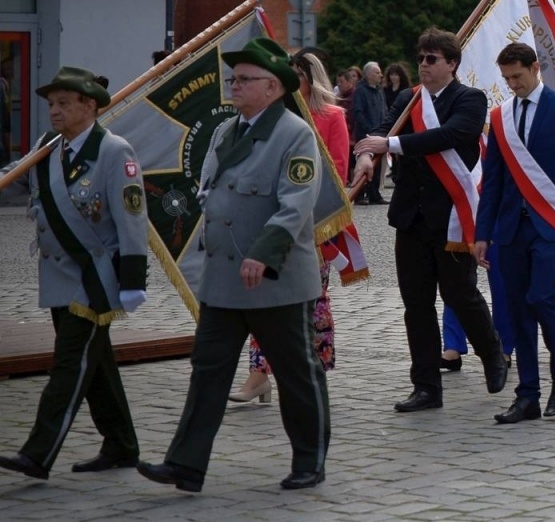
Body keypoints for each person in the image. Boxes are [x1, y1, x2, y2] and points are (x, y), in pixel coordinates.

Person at [139, 38, 330, 492]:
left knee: (296, 372)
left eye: (244, 79)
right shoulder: (228, 131)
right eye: (234, 78)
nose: (234, 86)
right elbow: (210, 190)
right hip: (224, 278)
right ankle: (186, 463)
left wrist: (262, 253)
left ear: (273, 88)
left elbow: (295, 205)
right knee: (208, 370)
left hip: (274, 279)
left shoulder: (295, 134)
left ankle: (309, 458)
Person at [0, 68, 149, 483]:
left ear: (90, 106)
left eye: (65, 103)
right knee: (96, 364)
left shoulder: (114, 151)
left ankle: (37, 453)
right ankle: (121, 443)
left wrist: (133, 278)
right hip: (58, 275)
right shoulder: (49, 147)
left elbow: (132, 217)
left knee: (69, 364)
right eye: (51, 104)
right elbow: (17, 174)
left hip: (92, 276)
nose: (55, 111)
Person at [352, 28, 507, 413]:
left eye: (432, 59)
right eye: (421, 57)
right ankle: (426, 387)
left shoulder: (469, 99)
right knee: (416, 305)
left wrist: (389, 145)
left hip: (452, 217)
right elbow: (381, 129)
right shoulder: (408, 99)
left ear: (451, 64)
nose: (423, 65)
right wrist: (367, 155)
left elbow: (451, 135)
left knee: (460, 295)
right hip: (411, 217)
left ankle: (492, 353)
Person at [472, 43, 555, 424]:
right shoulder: (501, 116)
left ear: (535, 68)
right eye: (507, 79)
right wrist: (482, 232)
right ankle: (527, 395)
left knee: (542, 298)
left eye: (518, 77)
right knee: (517, 309)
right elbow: (492, 182)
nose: (513, 85)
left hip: (549, 225)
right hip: (510, 227)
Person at [229, 52, 345, 405]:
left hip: (313, 225)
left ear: (312, 78)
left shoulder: (331, 116)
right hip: (267, 223)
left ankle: (314, 372)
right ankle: (259, 374)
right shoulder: (269, 120)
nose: (291, 83)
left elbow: (337, 172)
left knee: (312, 301)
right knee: (260, 298)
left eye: (298, 75)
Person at [351, 62, 387, 204]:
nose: (380, 75)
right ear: (368, 74)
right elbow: (358, 112)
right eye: (377, 72)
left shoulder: (379, 90)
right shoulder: (360, 91)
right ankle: (359, 194)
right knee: (363, 162)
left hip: (379, 133)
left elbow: (384, 109)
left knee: (377, 166)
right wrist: (368, 128)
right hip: (365, 133)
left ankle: (374, 193)